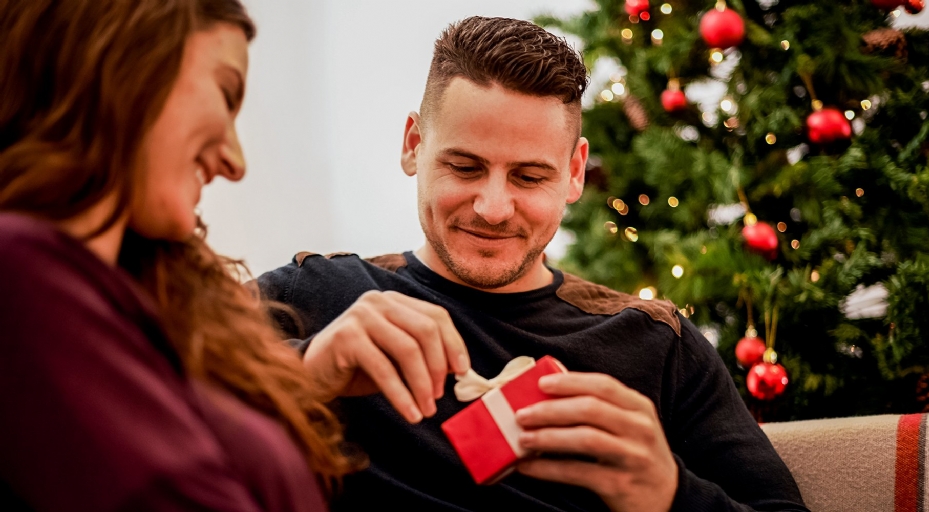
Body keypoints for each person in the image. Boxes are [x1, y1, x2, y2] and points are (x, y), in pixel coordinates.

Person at [258, 16, 808, 512]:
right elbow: (170, 407)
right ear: (413, 145)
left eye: (529, 177)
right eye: (465, 167)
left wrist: (669, 494)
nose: (493, 209)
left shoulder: (657, 343)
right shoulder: (319, 296)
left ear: (574, 173)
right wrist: (303, 373)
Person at [0, 1, 351, 510]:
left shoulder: (143, 300)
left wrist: (309, 371)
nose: (236, 161)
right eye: (226, 95)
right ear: (125, 59)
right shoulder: (21, 275)